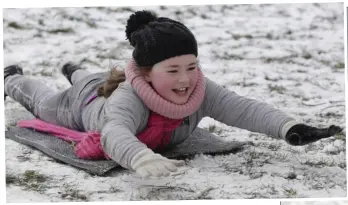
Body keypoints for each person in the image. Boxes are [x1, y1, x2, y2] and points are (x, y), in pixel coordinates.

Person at [4, 10, 342, 178]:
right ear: (148, 73)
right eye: (174, 70)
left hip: (103, 83)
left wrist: (289, 127)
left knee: (89, 76)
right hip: (83, 104)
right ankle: (13, 79)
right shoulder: (129, 98)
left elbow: (243, 108)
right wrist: (141, 158)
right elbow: (114, 132)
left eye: (192, 66)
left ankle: (75, 69)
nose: (186, 78)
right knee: (43, 101)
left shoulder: (200, 88)